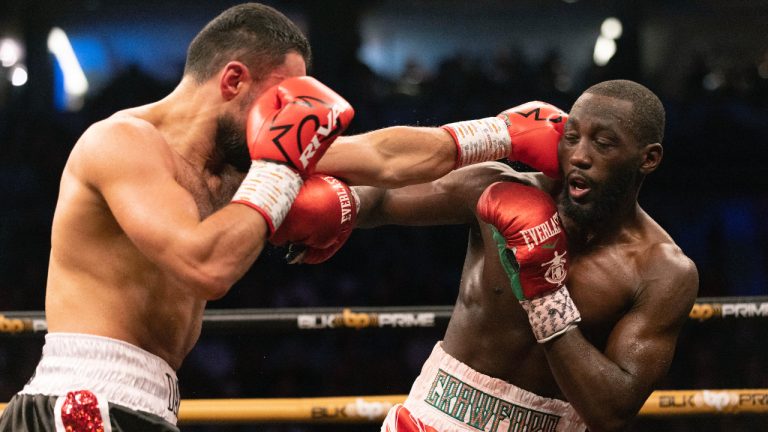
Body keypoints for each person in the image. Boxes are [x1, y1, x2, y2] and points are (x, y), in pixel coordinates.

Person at [0, 3, 359, 431]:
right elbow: (204, 265)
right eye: (278, 98)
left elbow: (385, 158)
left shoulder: (232, 166)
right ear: (233, 80)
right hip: (83, 401)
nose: (286, 116)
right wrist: (278, 173)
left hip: (146, 404)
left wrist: (461, 143)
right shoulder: (122, 142)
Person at [279, 80, 699, 431]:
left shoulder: (662, 271)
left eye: (604, 144)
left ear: (649, 158)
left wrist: (545, 297)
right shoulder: (500, 189)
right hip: (432, 418)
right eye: (571, 137)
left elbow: (611, 411)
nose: (581, 155)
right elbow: (383, 198)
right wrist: (329, 206)